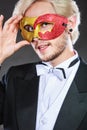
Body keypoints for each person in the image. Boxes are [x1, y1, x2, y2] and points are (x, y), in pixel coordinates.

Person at [0, 0, 87, 130]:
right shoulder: (14, 78)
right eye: (29, 28)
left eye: (45, 24)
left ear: (70, 23)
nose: (35, 37)